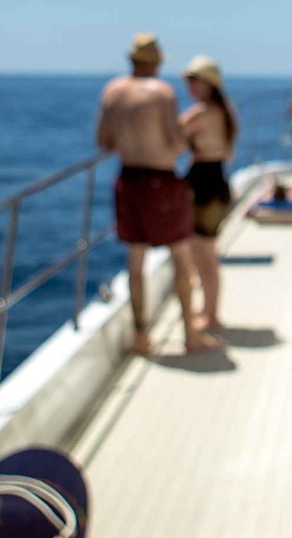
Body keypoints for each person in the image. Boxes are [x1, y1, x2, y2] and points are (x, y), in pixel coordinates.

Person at [94, 33, 218, 354]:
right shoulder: (162, 93)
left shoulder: (112, 91)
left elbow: (103, 141)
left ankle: (141, 337)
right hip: (161, 181)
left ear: (131, 60)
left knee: (135, 261)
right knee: (181, 255)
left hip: (128, 179)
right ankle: (190, 333)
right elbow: (176, 144)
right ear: (156, 63)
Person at [179, 54, 238, 334]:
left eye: (194, 80)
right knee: (206, 253)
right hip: (218, 184)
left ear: (208, 83)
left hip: (203, 187)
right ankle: (209, 311)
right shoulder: (226, 112)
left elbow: (172, 140)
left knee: (203, 255)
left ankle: (211, 315)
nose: (189, 86)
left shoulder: (200, 113)